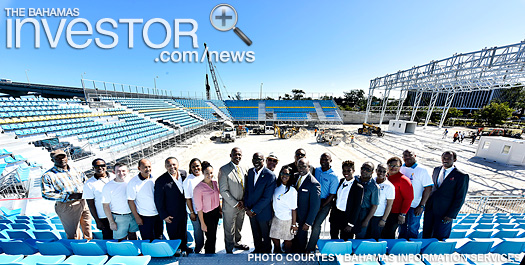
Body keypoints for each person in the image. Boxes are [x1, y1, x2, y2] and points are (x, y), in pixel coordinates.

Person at [41, 149, 92, 240]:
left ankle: (89, 247)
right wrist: (68, 196)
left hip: (83, 202)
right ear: (53, 160)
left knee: (87, 227)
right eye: (58, 158)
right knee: (74, 234)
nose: (62, 160)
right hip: (67, 205)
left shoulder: (76, 170)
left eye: (63, 157)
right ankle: (78, 250)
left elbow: (86, 182)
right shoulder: (48, 175)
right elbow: (46, 194)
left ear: (67, 157)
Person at [423, 151, 469, 240]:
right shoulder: (436, 170)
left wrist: (451, 215)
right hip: (430, 209)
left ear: (455, 160)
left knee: (440, 237)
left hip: (445, 212)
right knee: (426, 234)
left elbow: (460, 197)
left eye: (449, 158)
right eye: (444, 158)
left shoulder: (461, 176)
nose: (445, 160)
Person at [154, 157, 190, 252]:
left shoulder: (184, 174)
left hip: (183, 211)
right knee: (173, 234)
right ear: (165, 167)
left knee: (183, 231)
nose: (172, 167)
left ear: (178, 165)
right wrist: (164, 215)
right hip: (171, 214)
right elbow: (158, 200)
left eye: (174, 164)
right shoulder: (160, 181)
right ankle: (176, 251)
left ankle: (184, 248)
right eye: (169, 165)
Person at [218, 148, 249, 253]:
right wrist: (235, 203)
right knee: (229, 228)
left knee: (239, 225)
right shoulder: (224, 169)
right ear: (230, 155)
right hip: (231, 206)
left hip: (242, 205)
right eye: (235, 154)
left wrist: (244, 201)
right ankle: (229, 248)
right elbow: (223, 190)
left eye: (239, 154)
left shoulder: (245, 168)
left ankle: (237, 243)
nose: (237, 156)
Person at [244, 152, 276, 254]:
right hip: (250, 211)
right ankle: (257, 249)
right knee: (255, 232)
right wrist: (247, 207)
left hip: (263, 211)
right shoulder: (250, 172)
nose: (256, 162)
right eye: (255, 159)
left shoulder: (270, 175)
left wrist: (254, 210)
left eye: (259, 159)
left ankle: (266, 251)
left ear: (264, 161)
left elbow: (267, 197)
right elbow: (247, 190)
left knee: (265, 233)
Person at [306, 153, 338, 252]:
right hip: (314, 202)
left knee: (316, 225)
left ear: (330, 161)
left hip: (325, 203)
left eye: (326, 159)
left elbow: (332, 194)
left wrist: (322, 205)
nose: (323, 161)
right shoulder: (317, 170)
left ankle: (310, 248)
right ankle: (313, 242)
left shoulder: (333, 176)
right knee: (308, 222)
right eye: (322, 159)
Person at [399, 150, 433, 239]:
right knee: (401, 229)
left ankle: (412, 249)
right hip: (402, 206)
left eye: (409, 155)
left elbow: (428, 188)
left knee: (412, 229)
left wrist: (421, 205)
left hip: (415, 206)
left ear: (415, 155)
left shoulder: (422, 170)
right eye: (404, 156)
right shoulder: (400, 168)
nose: (407, 157)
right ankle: (399, 248)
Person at [127, 159, 163, 240]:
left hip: (157, 215)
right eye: (145, 167)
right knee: (147, 239)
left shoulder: (155, 179)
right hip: (144, 217)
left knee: (159, 237)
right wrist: (137, 217)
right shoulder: (133, 182)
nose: (148, 169)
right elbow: (130, 201)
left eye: (149, 167)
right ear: (139, 168)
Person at [102, 163, 138, 241]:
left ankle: (134, 253)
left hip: (133, 215)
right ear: (114, 172)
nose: (121, 173)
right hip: (119, 217)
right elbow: (105, 206)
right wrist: (111, 222)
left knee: (133, 236)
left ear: (127, 171)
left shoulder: (132, 182)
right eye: (118, 171)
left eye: (123, 171)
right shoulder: (108, 186)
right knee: (121, 240)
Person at [330, 160, 363, 241]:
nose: (346, 173)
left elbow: (357, 207)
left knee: (345, 239)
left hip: (347, 217)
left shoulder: (358, 187)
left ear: (354, 171)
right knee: (333, 236)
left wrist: (351, 224)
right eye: (344, 171)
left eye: (349, 170)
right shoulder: (341, 181)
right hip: (336, 215)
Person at [293, 158, 321, 253]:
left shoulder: (314, 184)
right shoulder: (295, 177)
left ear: (309, 167)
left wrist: (308, 222)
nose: (301, 169)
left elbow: (315, 206)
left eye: (303, 166)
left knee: (301, 241)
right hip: (293, 216)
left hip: (304, 218)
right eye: (299, 166)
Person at [194, 161, 222, 254]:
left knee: (213, 235)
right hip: (207, 215)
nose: (209, 175)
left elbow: (217, 198)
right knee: (210, 237)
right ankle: (209, 255)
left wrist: (220, 210)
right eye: (207, 173)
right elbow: (199, 208)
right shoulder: (198, 188)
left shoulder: (214, 183)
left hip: (215, 213)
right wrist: (202, 223)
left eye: (211, 173)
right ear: (203, 173)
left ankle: (211, 253)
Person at [382, 157, 414, 239]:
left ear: (400, 167)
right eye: (391, 165)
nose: (393, 168)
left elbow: (408, 198)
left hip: (395, 212)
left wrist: (402, 214)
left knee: (388, 233)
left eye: (396, 166)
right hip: (382, 211)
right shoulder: (383, 177)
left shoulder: (403, 180)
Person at [83, 158, 114, 239]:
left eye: (102, 166)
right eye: (96, 166)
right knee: (108, 237)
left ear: (106, 166)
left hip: (117, 213)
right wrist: (97, 220)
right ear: (93, 168)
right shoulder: (89, 183)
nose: (100, 168)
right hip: (103, 216)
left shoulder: (114, 177)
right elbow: (90, 204)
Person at [270, 166, 298, 253]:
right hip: (277, 217)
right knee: (274, 236)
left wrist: (293, 224)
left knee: (287, 240)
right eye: (283, 173)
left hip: (287, 219)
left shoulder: (292, 191)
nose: (284, 176)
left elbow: (294, 209)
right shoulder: (276, 187)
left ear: (290, 176)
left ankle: (287, 256)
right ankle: (278, 250)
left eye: (287, 174)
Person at [366, 164, 395, 240]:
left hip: (378, 216)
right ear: (376, 171)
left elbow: (389, 205)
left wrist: (383, 219)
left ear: (387, 172)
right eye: (379, 171)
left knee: (375, 237)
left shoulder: (389, 187)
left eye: (384, 171)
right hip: (367, 213)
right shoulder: (371, 181)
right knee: (365, 236)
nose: (381, 173)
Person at [183, 158, 205, 253]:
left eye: (197, 166)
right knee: (198, 231)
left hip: (206, 210)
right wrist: (192, 212)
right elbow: (188, 198)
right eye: (193, 167)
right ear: (190, 168)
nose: (196, 168)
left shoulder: (205, 175)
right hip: (195, 211)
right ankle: (199, 248)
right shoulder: (188, 180)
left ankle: (208, 247)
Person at [354, 162, 379, 239]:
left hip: (363, 212)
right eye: (363, 168)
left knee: (360, 236)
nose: (364, 171)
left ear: (372, 172)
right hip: (352, 210)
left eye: (368, 169)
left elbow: (374, 206)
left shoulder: (374, 187)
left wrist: (366, 220)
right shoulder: (355, 180)